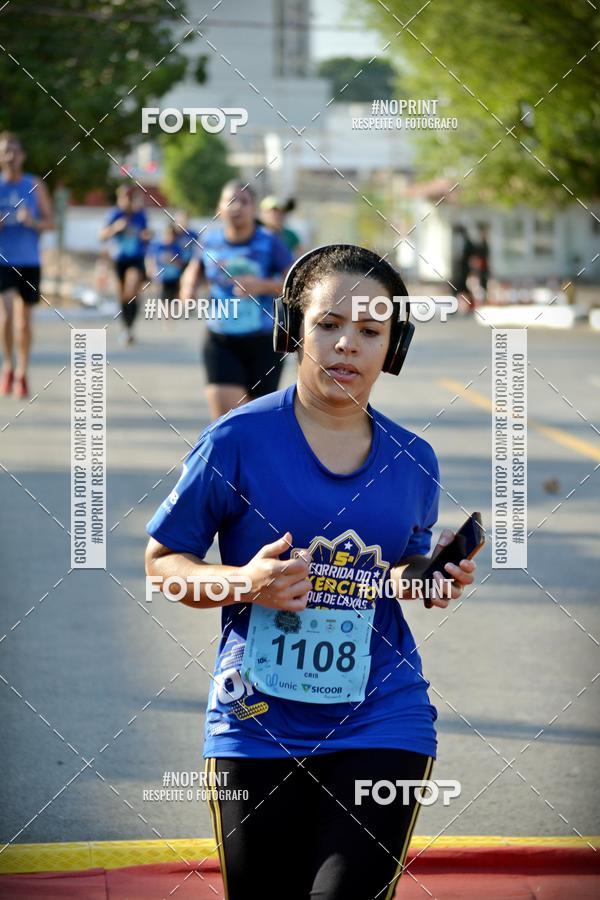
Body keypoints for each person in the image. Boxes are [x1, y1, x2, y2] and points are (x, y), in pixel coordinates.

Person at [145, 244, 476, 900]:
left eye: (370, 330)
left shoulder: (415, 459)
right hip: (255, 720)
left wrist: (429, 576)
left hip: (383, 716)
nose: (347, 344)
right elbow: (161, 568)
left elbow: (397, 571)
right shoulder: (235, 442)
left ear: (394, 348)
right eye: (328, 324)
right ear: (294, 330)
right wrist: (244, 582)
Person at [181, 181, 292, 420]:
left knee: (257, 421)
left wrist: (262, 285)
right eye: (230, 200)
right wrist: (188, 288)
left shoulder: (270, 242)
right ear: (219, 207)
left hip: (264, 341)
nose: (237, 206)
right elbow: (195, 268)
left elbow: (296, 285)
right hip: (221, 339)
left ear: (254, 209)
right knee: (229, 422)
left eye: (244, 201)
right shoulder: (209, 241)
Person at [0, 132, 54, 398]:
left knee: (24, 323)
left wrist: (33, 222)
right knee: (7, 315)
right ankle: (7, 365)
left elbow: (51, 222)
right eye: (5, 151)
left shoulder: (34, 185)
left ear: (21, 156)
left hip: (30, 260)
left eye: (14, 151)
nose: (10, 156)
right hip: (3, 261)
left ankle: (22, 371)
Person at [99, 184, 152, 345]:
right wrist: (115, 228)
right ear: (119, 198)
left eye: (130, 197)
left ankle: (130, 326)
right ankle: (127, 328)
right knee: (123, 296)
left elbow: (147, 234)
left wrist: (146, 236)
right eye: (124, 197)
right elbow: (101, 236)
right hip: (119, 260)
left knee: (132, 288)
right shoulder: (114, 215)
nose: (127, 201)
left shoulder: (140, 215)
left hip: (135, 259)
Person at [147, 223, 186, 312]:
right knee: (163, 297)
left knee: (174, 298)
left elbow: (181, 263)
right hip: (162, 277)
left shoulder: (177, 247)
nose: (169, 238)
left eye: (172, 235)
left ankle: (175, 312)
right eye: (167, 235)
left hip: (174, 276)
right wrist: (150, 269)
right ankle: (166, 316)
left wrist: (172, 260)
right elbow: (150, 258)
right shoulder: (157, 246)